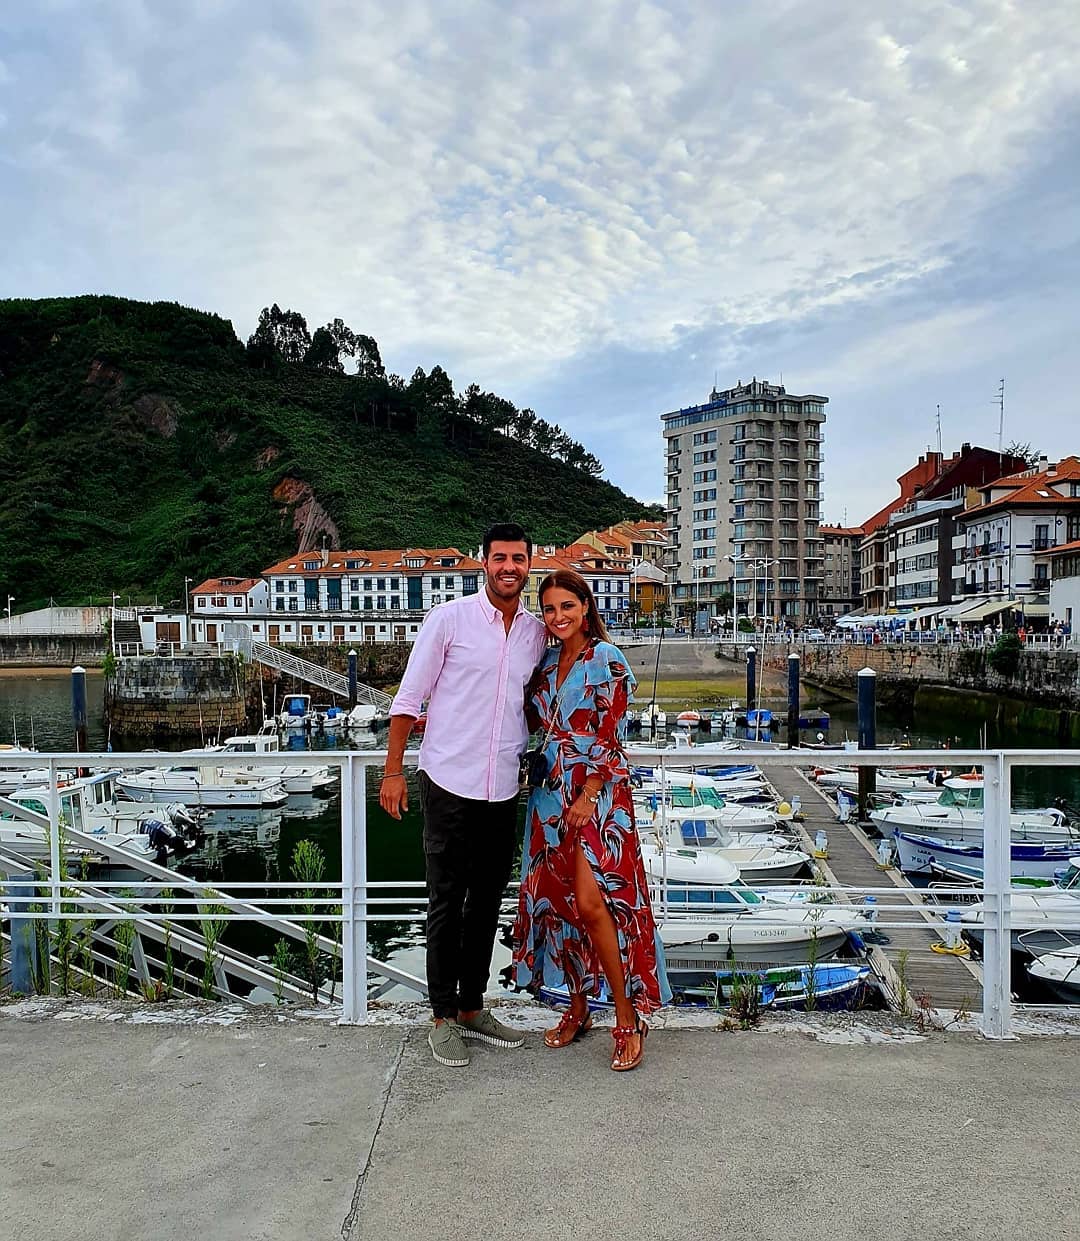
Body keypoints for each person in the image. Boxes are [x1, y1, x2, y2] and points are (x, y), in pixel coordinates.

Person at [380, 523, 548, 1068]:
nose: (508, 567)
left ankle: (474, 1007)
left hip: (503, 785)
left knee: (487, 902)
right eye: (500, 558)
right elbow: (409, 699)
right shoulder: (447, 621)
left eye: (518, 559)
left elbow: (532, 699)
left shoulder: (534, 632)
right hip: (448, 781)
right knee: (446, 902)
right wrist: (392, 772)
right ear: (484, 563)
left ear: (528, 565)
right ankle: (441, 1016)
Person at [512, 569, 669, 1072]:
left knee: (594, 902)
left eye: (568, 607)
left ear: (586, 607)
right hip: (547, 795)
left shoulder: (607, 659)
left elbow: (611, 734)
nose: (558, 617)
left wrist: (591, 791)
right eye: (550, 609)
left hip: (594, 797)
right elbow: (523, 718)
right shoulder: (546, 663)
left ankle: (628, 1017)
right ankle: (577, 1006)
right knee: (562, 906)